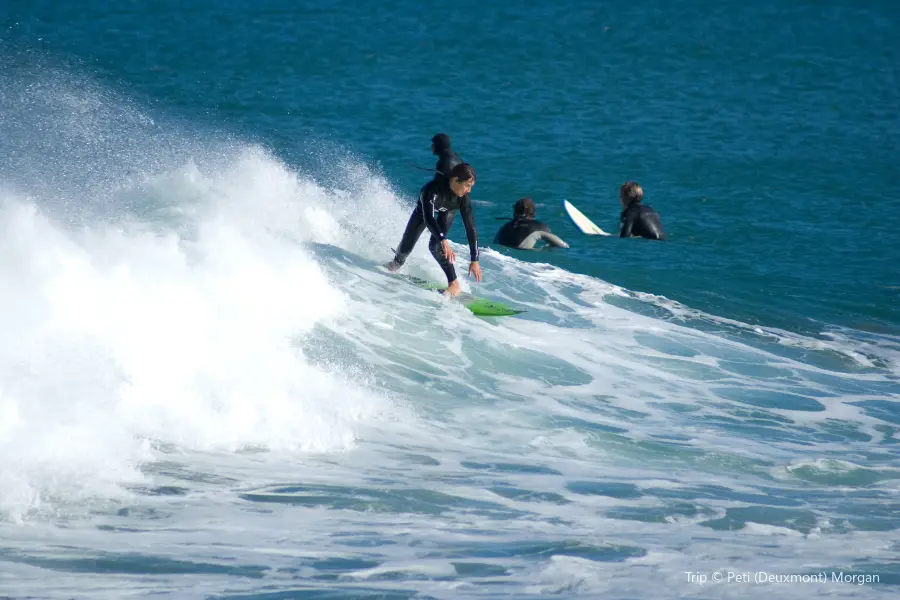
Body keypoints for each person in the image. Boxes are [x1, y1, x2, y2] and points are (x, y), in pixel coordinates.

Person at [386, 162, 482, 297]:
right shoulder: (431, 190)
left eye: (471, 187)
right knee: (404, 251)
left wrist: (475, 259)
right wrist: (443, 239)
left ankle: (454, 283)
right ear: (455, 180)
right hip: (424, 213)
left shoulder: (463, 199)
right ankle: (395, 264)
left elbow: (470, 227)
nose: (469, 190)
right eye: (467, 186)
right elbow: (429, 218)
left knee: (435, 246)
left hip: (447, 211)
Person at [494, 197, 569, 250]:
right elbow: (563, 246)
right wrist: (545, 248)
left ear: (514, 211)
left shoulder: (504, 227)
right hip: (522, 259)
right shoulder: (539, 227)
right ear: (533, 212)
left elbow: (495, 245)